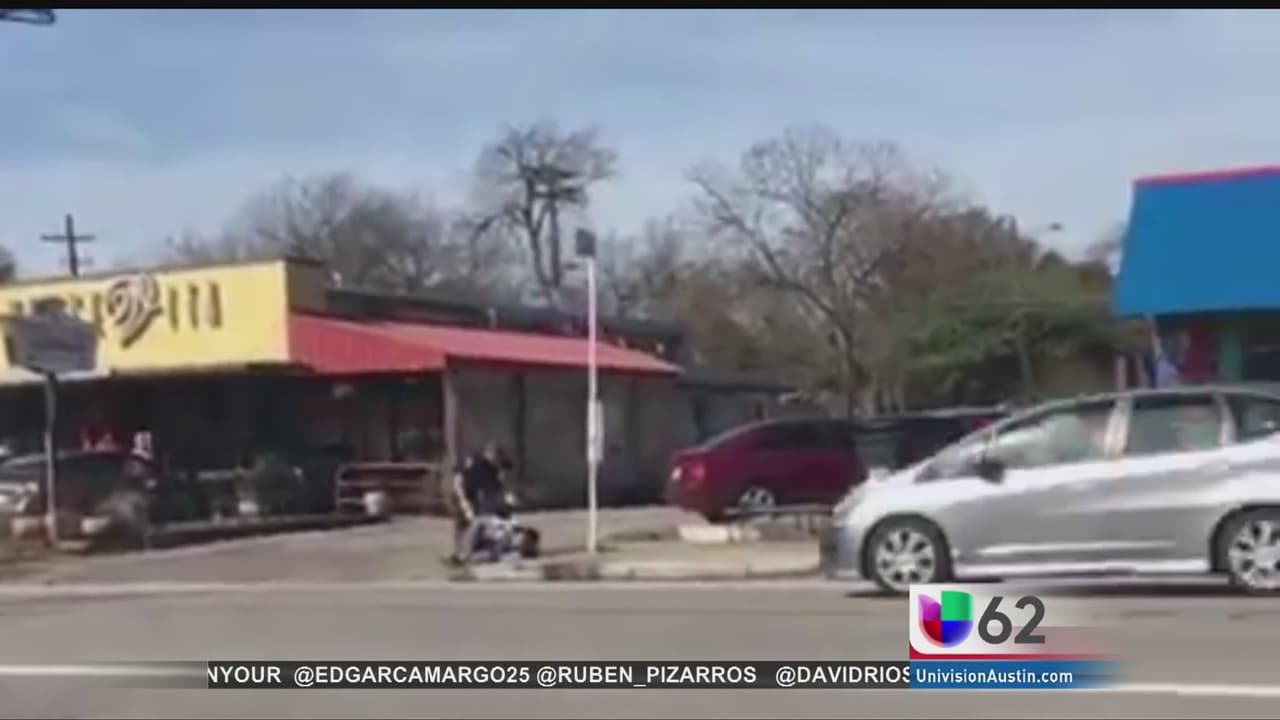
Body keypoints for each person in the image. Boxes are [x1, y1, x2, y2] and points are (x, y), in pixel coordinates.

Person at [447, 442, 514, 565]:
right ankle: (461, 553)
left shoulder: (494, 467)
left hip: (474, 491)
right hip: (462, 490)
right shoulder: (478, 465)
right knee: (468, 519)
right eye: (496, 460)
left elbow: (502, 476)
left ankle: (469, 550)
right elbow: (464, 485)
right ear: (490, 455)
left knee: (479, 520)